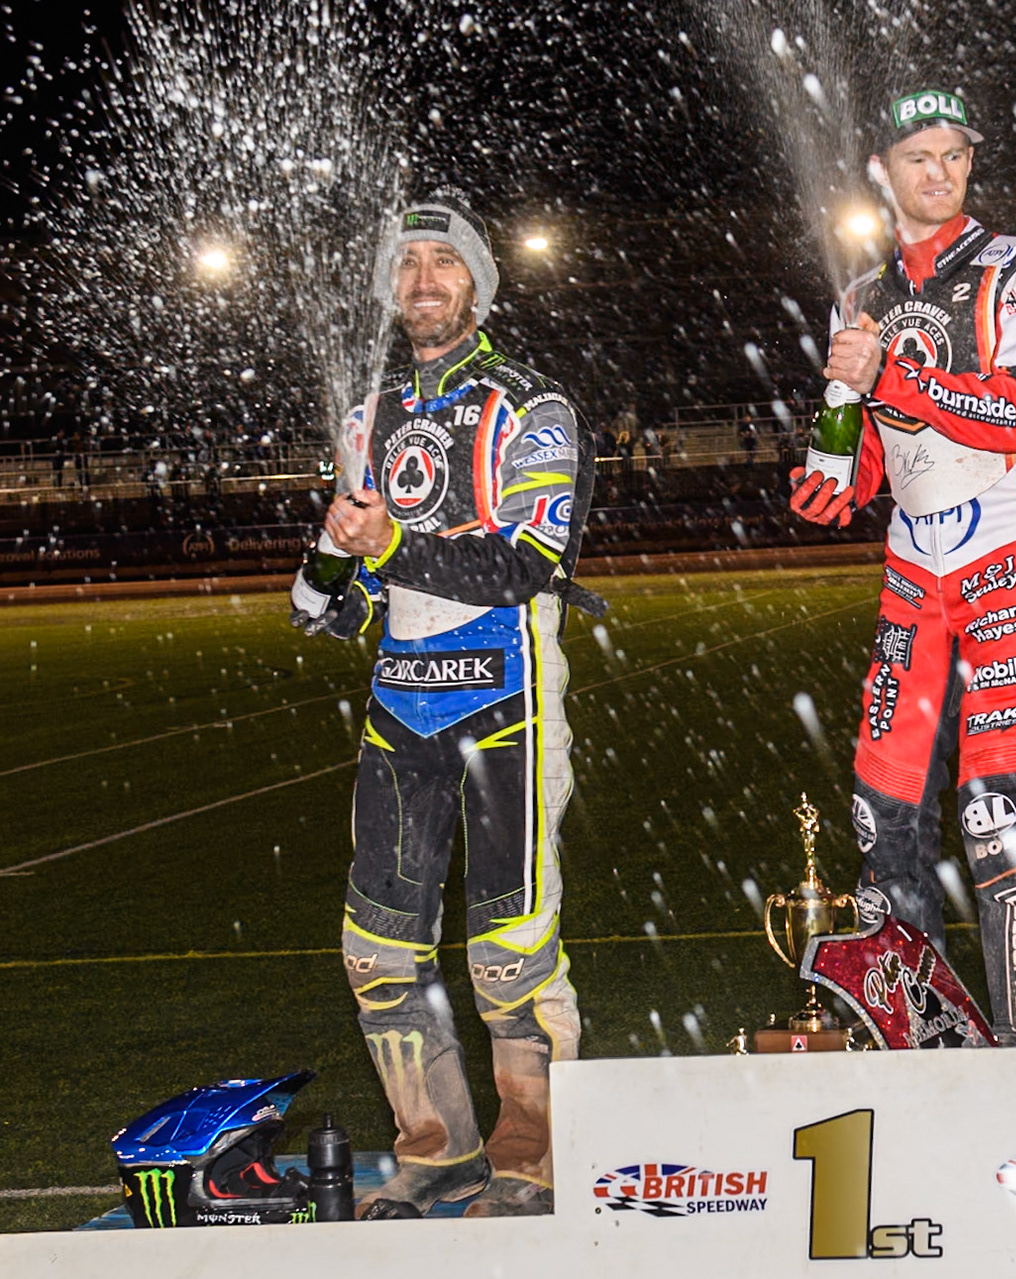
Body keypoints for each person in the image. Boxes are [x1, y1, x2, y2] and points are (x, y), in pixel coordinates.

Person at [290, 188, 598, 1218]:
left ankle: (533, 1156)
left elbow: (525, 563)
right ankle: (437, 1149)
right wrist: (334, 557)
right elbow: (326, 611)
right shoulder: (367, 415)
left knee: (509, 950)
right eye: (408, 264)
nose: (423, 280)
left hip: (507, 699)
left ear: (480, 281)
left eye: (445, 262)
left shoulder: (532, 406)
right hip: (399, 711)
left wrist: (391, 547)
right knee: (378, 948)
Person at [786, 86, 1016, 1046]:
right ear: (882, 170)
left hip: (1007, 546)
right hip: (914, 563)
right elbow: (877, 443)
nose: (940, 172)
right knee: (883, 812)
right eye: (920, 156)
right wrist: (839, 477)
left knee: (997, 810)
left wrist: (890, 377)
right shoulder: (863, 295)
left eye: (955, 155)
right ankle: (922, 1042)